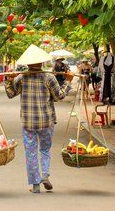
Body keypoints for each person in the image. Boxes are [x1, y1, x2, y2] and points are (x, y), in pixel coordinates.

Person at [5, 45, 73, 194]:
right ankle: (45, 175)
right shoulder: (49, 77)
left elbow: (10, 94)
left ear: (28, 64)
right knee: (45, 150)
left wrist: (9, 80)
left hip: (28, 122)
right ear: (41, 63)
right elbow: (59, 96)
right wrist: (68, 82)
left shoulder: (21, 77)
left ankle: (35, 185)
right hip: (46, 122)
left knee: (31, 152)